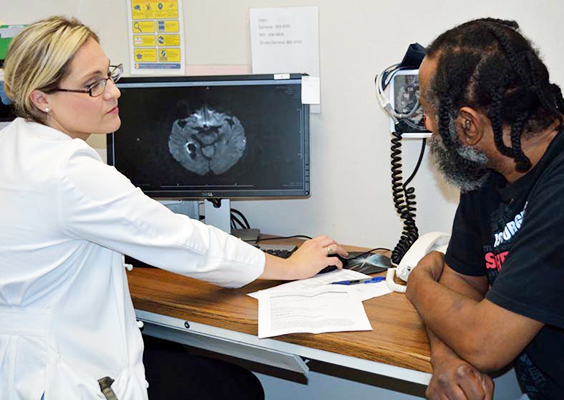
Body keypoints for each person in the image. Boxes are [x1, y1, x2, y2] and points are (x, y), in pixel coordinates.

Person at [0, 16, 347, 400]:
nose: (114, 92)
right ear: (41, 98)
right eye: (92, 85)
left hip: (22, 358)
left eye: (109, 74)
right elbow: (183, 242)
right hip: (64, 368)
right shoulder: (68, 171)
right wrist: (290, 266)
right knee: (238, 389)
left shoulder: (11, 146)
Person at [405, 18, 564, 399]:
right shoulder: (491, 165)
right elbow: (460, 286)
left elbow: (486, 344)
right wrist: (444, 359)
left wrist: (416, 284)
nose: (425, 123)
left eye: (428, 111)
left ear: (468, 125)